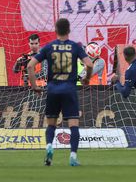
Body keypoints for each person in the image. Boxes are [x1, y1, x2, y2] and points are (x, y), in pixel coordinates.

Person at [27, 18, 93, 166]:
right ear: (69, 30)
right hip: (69, 89)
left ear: (55, 30)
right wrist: (87, 79)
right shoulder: (75, 47)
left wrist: (34, 86)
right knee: (73, 125)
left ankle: (49, 147)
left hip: (52, 90)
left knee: (51, 124)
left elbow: (30, 66)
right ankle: (73, 157)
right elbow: (89, 64)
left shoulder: (49, 47)